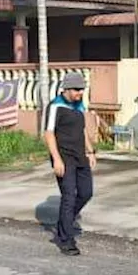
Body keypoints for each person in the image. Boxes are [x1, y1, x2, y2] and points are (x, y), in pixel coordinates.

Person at [44, 73, 96, 256]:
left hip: (80, 156)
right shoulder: (55, 106)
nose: (79, 93)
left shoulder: (79, 106)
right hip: (64, 157)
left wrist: (90, 151)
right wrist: (56, 159)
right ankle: (66, 239)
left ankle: (62, 224)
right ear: (65, 89)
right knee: (69, 197)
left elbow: (81, 130)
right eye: (76, 90)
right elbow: (49, 134)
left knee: (86, 192)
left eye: (82, 90)